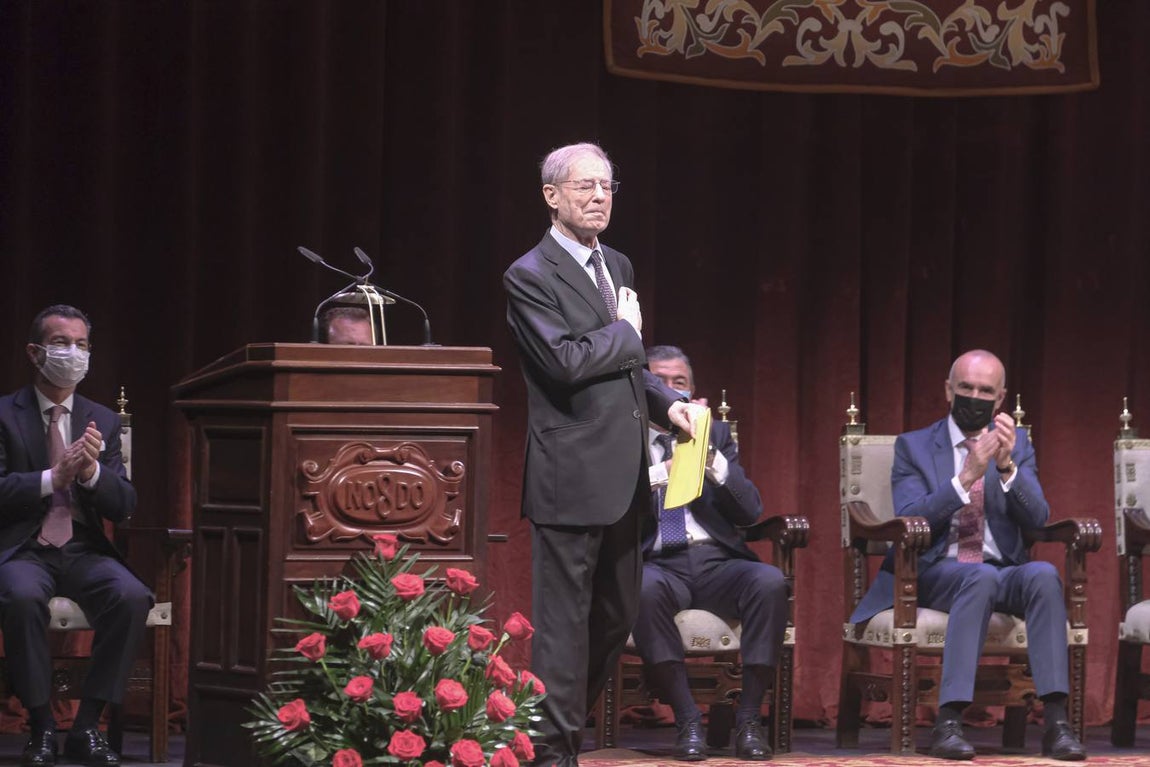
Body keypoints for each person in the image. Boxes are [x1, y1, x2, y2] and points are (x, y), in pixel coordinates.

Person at [503, 142, 704, 767]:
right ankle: (550, 750)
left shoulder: (615, 264)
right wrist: (625, 332)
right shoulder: (529, 274)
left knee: (615, 620)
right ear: (552, 196)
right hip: (570, 476)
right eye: (585, 186)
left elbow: (627, 368)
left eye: (607, 186)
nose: (598, 197)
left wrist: (665, 403)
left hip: (625, 477)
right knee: (562, 628)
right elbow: (564, 363)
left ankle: (552, 731)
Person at [849, 349, 1086, 761]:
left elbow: (1039, 518)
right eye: (966, 387)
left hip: (1001, 569)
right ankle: (949, 720)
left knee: (1044, 574)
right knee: (979, 578)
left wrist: (1008, 466)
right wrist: (966, 478)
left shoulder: (1018, 444)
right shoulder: (914, 447)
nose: (974, 396)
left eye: (985, 390)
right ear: (948, 390)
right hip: (931, 571)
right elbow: (909, 520)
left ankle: (1057, 722)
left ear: (1000, 399)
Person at [0, 305, 153, 767]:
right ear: (35, 352)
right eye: (62, 343)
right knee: (21, 597)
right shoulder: (6, 414)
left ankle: (87, 727)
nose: (74, 353)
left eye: (82, 345)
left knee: (131, 596)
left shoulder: (101, 420)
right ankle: (42, 727)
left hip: (85, 550)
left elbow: (123, 505)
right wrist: (53, 477)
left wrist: (89, 474)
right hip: (26, 549)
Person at [634, 346, 785, 761]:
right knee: (643, 590)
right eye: (658, 384)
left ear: (693, 391)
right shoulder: (624, 436)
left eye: (678, 384)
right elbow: (606, 508)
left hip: (717, 563)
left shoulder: (716, 435)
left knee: (769, 582)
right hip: (658, 563)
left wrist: (710, 455)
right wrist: (656, 476)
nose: (669, 393)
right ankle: (687, 721)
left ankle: (750, 719)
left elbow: (751, 510)